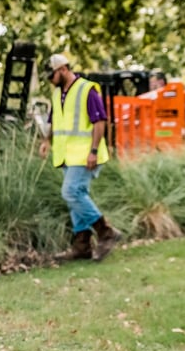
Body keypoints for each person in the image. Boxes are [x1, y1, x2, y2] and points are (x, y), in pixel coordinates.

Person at [38, 53, 122, 262]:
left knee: (71, 192)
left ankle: (106, 232)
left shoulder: (87, 89)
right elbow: (55, 121)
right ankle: (82, 246)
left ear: (63, 69)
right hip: (67, 155)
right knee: (76, 196)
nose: (50, 80)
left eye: (52, 75)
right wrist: (47, 141)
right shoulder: (57, 94)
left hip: (85, 154)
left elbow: (100, 121)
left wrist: (93, 151)